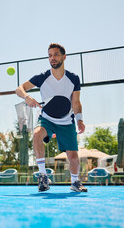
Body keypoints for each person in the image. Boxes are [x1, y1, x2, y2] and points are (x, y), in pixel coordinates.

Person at [15, 43, 87, 192]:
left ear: (64, 56)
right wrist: (27, 97)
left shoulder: (73, 78)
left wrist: (79, 119)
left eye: (55, 54)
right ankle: (43, 176)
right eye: (50, 55)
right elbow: (19, 89)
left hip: (67, 121)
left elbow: (76, 101)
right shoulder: (42, 77)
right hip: (47, 118)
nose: (52, 58)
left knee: (73, 157)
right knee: (36, 135)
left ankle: (75, 182)